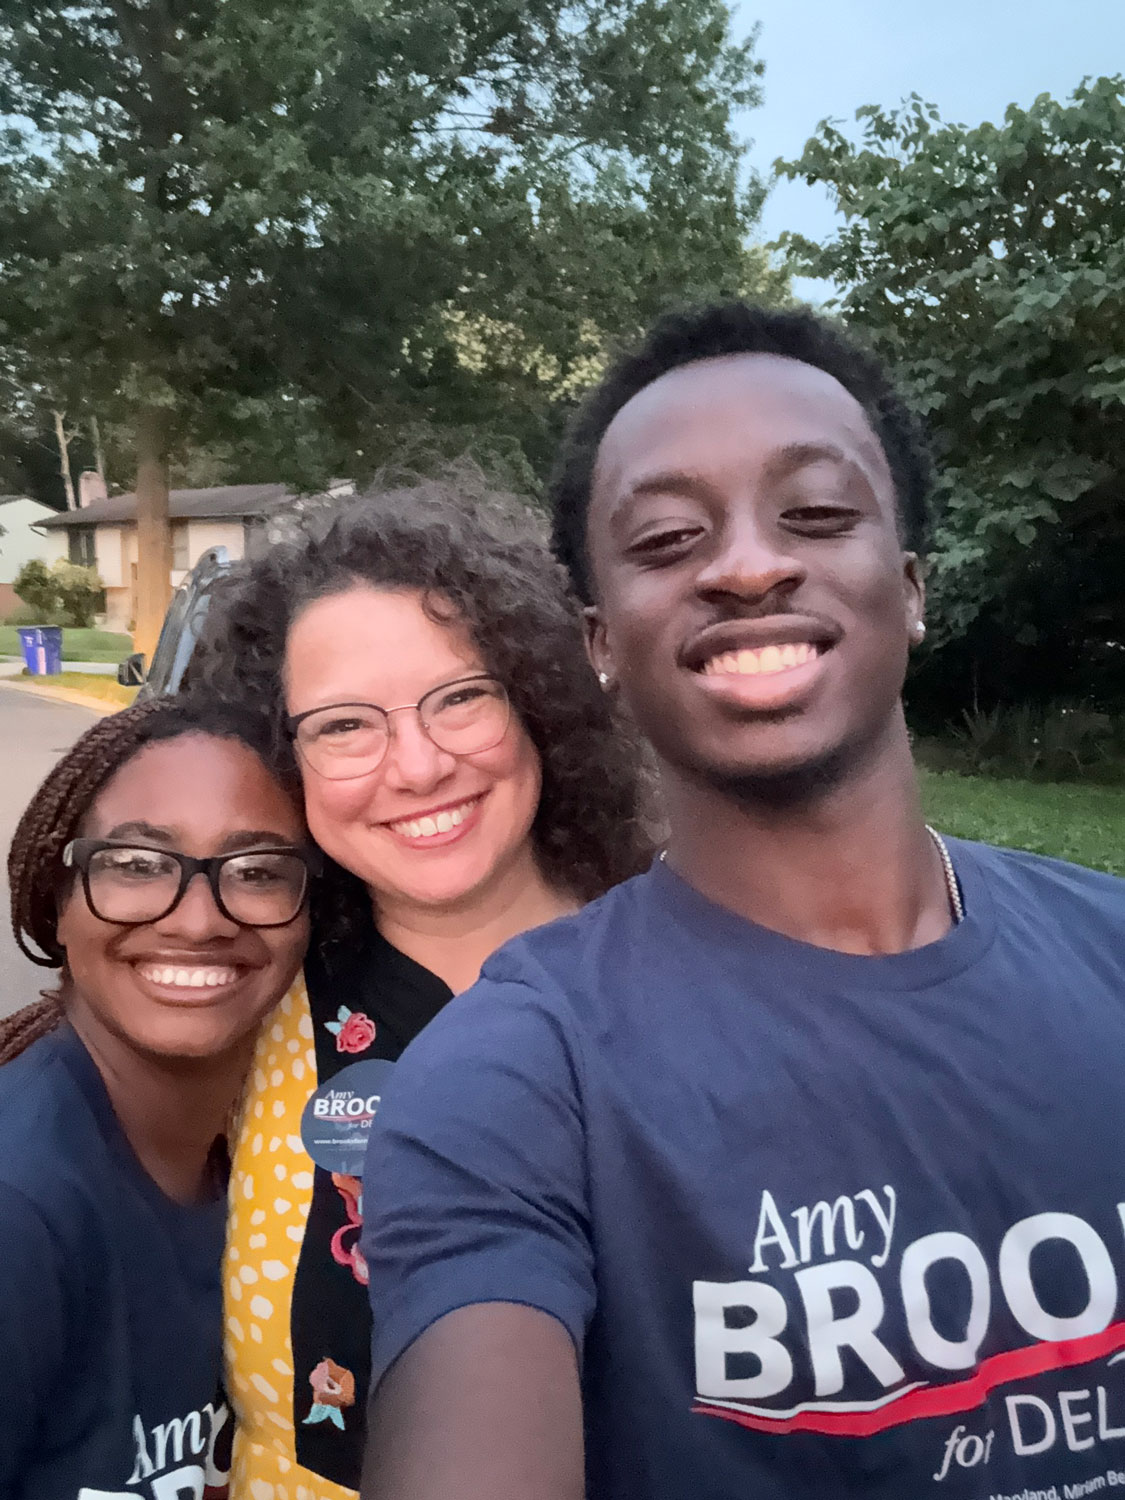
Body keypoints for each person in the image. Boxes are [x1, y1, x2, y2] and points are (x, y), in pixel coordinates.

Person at [359, 303, 1125, 1500]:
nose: (750, 563)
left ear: (912, 588)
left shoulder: (1112, 952)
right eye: (668, 539)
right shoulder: (518, 1075)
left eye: (817, 514)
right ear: (603, 641)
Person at [198, 477, 648, 1498]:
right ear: (284, 758)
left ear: (538, 704)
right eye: (346, 726)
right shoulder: (239, 1005)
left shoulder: (700, 974)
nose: (418, 765)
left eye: (461, 697)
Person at [0, 696, 314, 1499]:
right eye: (137, 866)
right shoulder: (22, 1210)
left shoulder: (259, 1169)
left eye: (256, 873)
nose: (200, 919)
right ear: (57, 899)